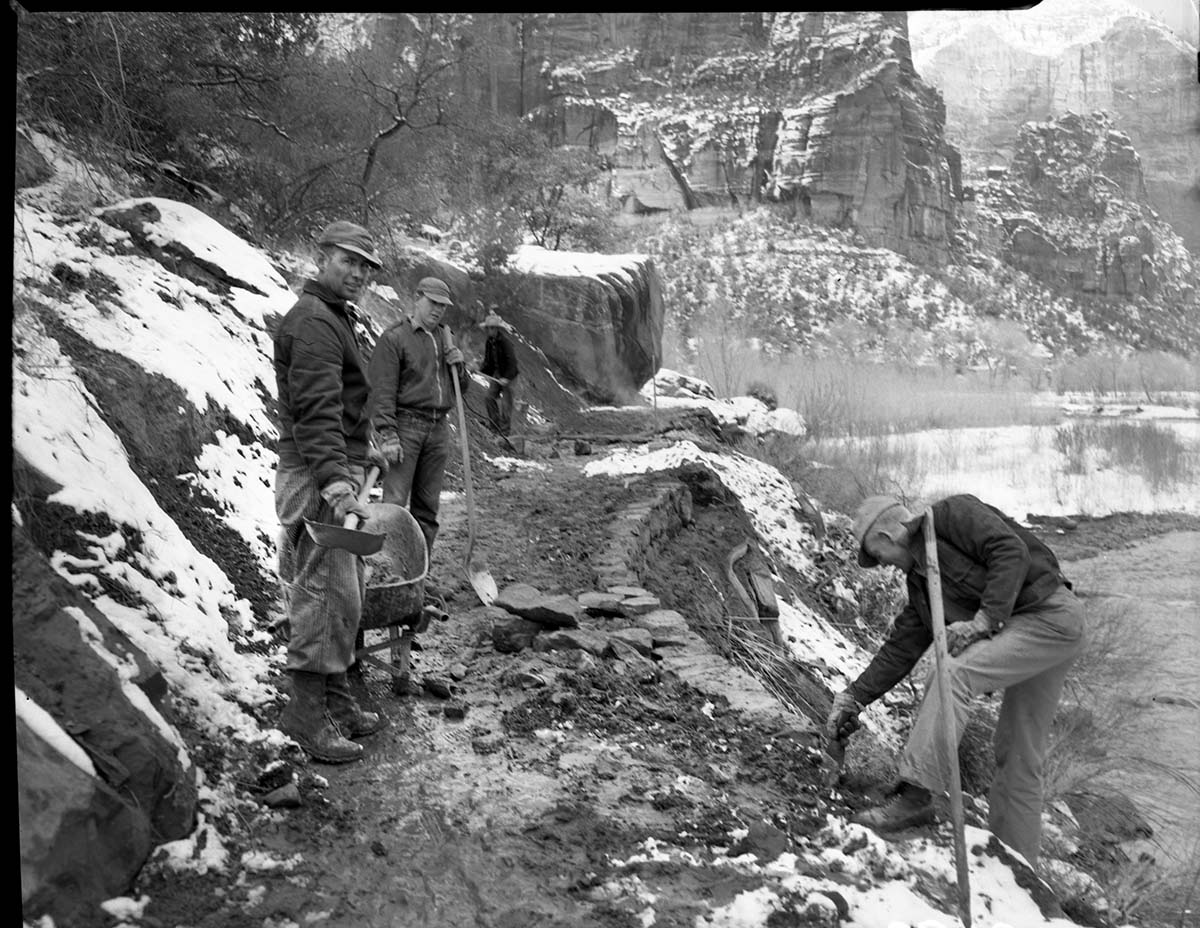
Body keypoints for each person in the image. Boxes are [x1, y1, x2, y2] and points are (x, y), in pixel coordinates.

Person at [827, 493, 1086, 868]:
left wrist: (985, 619)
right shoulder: (921, 588)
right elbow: (900, 650)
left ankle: (916, 797)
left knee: (952, 673)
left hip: (1052, 617)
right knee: (1017, 755)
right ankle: (1016, 866)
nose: (882, 564)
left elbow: (1010, 550)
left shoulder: (951, 515)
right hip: (1026, 631)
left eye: (876, 554)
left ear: (886, 536)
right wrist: (854, 696)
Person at [273, 220, 389, 764]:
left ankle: (336, 700)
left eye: (366, 266)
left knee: (342, 591)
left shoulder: (332, 315)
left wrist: (366, 448)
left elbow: (340, 406)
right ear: (322, 258)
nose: (359, 273)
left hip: (332, 466)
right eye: (349, 261)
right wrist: (338, 482)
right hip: (318, 476)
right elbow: (315, 412)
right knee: (320, 594)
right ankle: (303, 717)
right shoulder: (316, 322)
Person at [368, 276, 469, 559]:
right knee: (395, 505)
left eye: (442, 305)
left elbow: (461, 389)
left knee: (427, 508)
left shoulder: (446, 338)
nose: (437, 310)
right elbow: (381, 390)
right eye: (432, 302)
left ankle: (418, 571)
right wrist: (387, 434)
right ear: (417, 298)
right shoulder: (395, 338)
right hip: (406, 426)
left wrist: (460, 367)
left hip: (439, 428)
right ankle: (391, 569)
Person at [478, 308, 519, 437]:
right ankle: (494, 426)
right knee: (489, 397)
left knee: (506, 404)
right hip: (498, 374)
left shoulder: (505, 343)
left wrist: (507, 378)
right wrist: (479, 370)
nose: (489, 330)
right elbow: (488, 361)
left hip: (509, 376)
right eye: (488, 328)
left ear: (496, 329)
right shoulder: (489, 342)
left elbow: (512, 362)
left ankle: (505, 432)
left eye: (491, 328)